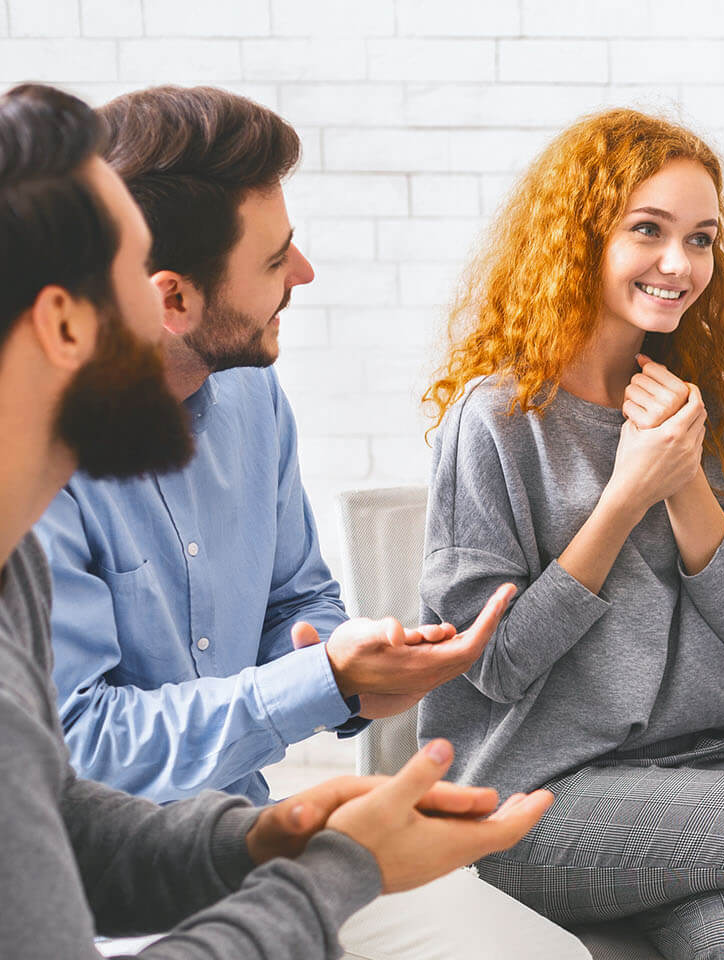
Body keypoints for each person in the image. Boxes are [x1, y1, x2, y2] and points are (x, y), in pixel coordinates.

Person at [32, 85, 589, 960]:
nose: (304, 273)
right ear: (173, 299)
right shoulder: (37, 469)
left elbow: (297, 596)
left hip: (251, 834)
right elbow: (83, 749)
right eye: (273, 259)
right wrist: (319, 684)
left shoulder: (252, 398)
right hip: (108, 901)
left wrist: (356, 666)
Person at [417, 107, 724, 960]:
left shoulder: (688, 406)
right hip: (525, 805)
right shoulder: (498, 420)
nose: (680, 263)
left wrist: (682, 477)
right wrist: (627, 495)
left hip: (689, 793)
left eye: (701, 239)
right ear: (579, 239)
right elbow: (496, 662)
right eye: (648, 230)